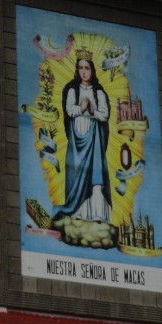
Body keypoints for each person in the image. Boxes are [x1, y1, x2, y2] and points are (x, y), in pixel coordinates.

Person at [55, 53, 111, 223]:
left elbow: (104, 114)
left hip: (93, 138)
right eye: (81, 68)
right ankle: (78, 212)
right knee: (76, 175)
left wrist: (92, 111)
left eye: (87, 68)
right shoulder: (72, 89)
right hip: (76, 138)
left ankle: (96, 214)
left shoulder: (98, 92)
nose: (84, 72)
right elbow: (69, 110)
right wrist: (81, 108)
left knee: (94, 174)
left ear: (92, 70)